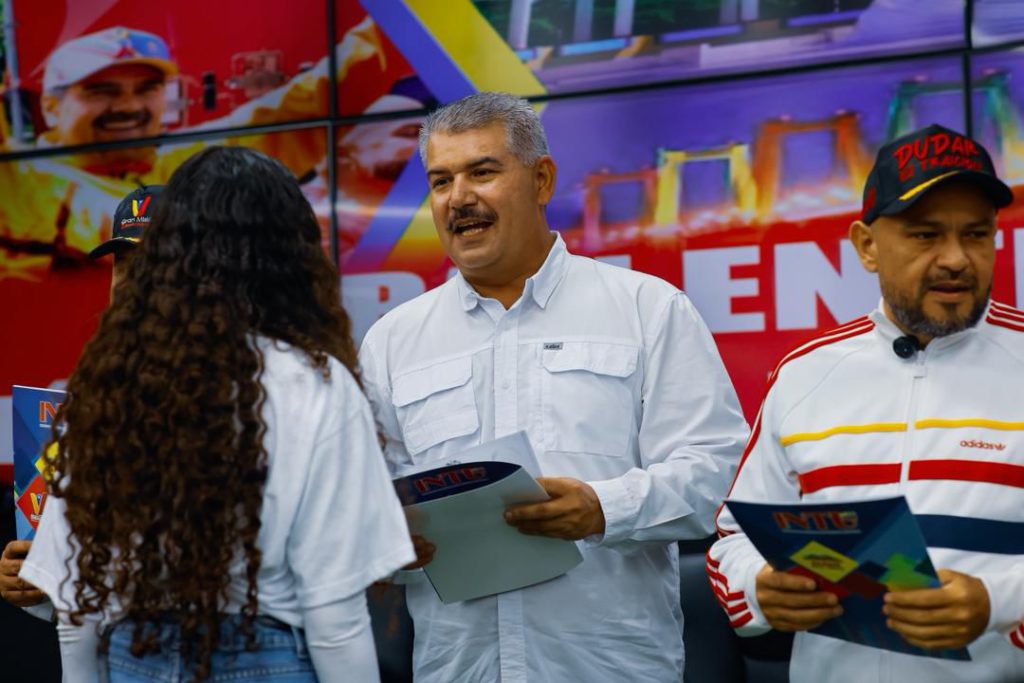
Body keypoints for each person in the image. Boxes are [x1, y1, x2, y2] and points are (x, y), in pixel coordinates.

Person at [358, 91, 749, 681]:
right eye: (441, 181)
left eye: (482, 172)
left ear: (541, 180)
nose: (459, 198)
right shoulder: (392, 340)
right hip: (460, 668)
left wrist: (601, 509)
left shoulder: (647, 310)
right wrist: (391, 545)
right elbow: (366, 509)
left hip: (608, 667)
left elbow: (717, 477)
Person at [18, 146, 415, 682]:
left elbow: (77, 606)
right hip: (267, 657)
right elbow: (334, 614)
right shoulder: (314, 384)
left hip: (133, 658)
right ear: (287, 258)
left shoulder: (111, 384)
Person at [708, 123, 1024, 681]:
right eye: (926, 235)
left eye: (976, 235)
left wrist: (998, 603)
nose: (956, 259)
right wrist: (762, 589)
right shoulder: (805, 371)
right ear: (867, 246)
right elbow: (733, 538)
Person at [0, 184, 163, 616]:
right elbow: (59, 556)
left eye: (154, 263)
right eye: (124, 264)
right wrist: (27, 577)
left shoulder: (240, 390)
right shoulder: (81, 398)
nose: (133, 282)